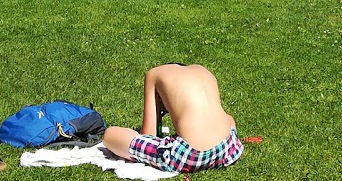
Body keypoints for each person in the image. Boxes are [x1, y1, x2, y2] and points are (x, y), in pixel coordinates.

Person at [101, 64, 244, 174]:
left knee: (110, 135)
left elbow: (148, 135)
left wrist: (158, 110)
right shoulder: (204, 71)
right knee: (227, 118)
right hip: (228, 147)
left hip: (190, 155)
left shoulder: (154, 74)